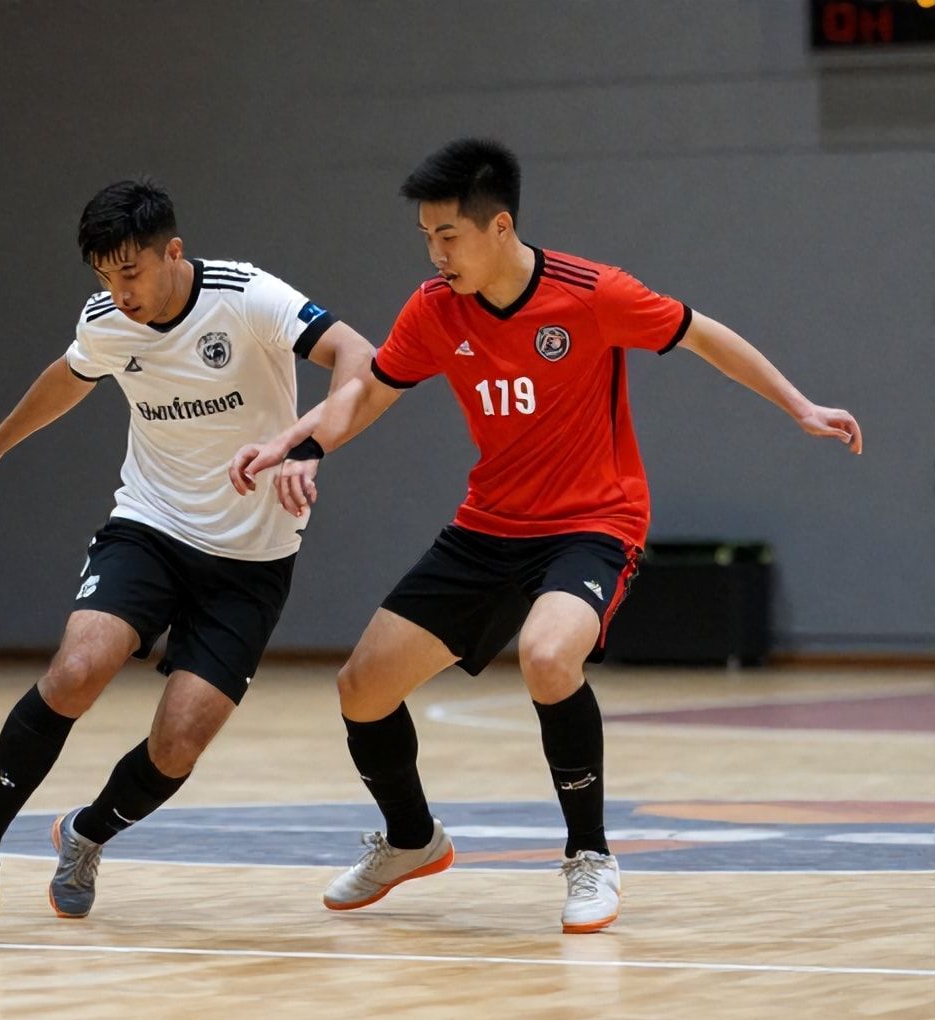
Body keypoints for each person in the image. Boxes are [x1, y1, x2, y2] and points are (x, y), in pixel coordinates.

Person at [231, 138, 862, 933]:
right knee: (362, 687)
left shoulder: (591, 293)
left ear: (498, 227)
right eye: (425, 237)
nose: (435, 253)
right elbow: (370, 393)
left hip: (593, 522)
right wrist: (302, 443)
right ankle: (412, 839)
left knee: (548, 654)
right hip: (488, 526)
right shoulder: (435, 308)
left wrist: (799, 405)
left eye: (448, 236)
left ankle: (590, 854)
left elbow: (703, 333)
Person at [0, 178, 375, 918]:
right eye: (104, 276)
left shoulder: (247, 297)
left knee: (178, 744)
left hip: (251, 561)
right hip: (151, 527)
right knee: (77, 668)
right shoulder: (109, 319)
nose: (120, 291)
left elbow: (356, 354)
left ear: (173, 251)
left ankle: (86, 834)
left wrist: (312, 447)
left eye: (131, 271)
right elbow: (69, 375)